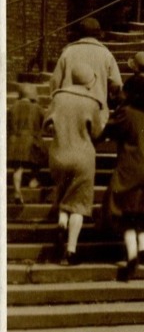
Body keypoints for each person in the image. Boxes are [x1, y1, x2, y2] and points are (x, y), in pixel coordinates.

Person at [101, 73, 144, 282]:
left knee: (125, 211)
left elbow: (109, 130)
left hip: (130, 167)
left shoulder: (127, 113)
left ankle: (131, 254)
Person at [42, 61, 103, 265]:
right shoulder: (92, 102)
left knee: (63, 192)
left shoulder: (58, 97)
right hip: (83, 158)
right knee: (78, 203)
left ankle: (61, 223)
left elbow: (46, 124)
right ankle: (71, 250)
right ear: (88, 81)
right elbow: (96, 132)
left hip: (59, 155)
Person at [50, 16, 122, 128]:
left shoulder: (68, 52)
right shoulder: (106, 54)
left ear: (80, 33)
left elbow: (55, 82)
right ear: (98, 34)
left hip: (70, 112)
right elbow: (117, 84)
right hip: (96, 113)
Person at [7, 83, 45, 204]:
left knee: (18, 168)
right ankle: (33, 180)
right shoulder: (37, 108)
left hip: (14, 141)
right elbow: (43, 123)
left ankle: (17, 190)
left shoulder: (13, 107)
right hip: (31, 141)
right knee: (41, 157)